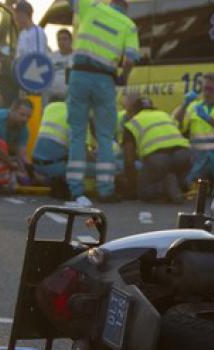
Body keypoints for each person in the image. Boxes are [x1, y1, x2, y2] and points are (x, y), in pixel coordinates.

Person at [66, 0, 139, 203]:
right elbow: (130, 59)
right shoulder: (128, 25)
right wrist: (123, 77)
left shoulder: (93, 6)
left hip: (79, 75)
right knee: (105, 136)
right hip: (105, 80)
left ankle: (75, 189)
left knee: (77, 134)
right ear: (126, 8)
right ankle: (105, 189)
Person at [121, 96, 191, 203]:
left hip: (158, 158)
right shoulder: (165, 115)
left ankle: (164, 187)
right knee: (174, 171)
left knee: (145, 191)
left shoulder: (133, 122)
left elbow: (129, 159)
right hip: (183, 154)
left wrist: (131, 184)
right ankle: (179, 186)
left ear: (134, 110)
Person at [175, 73, 214, 189]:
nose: (207, 93)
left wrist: (208, 119)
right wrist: (184, 105)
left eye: (211, 90)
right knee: (188, 188)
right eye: (205, 89)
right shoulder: (194, 106)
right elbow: (178, 126)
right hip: (199, 159)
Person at [46, 29, 73, 100]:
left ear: (71, 40)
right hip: (51, 97)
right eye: (59, 39)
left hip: (68, 98)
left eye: (64, 39)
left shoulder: (76, 58)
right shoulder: (50, 57)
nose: (61, 42)